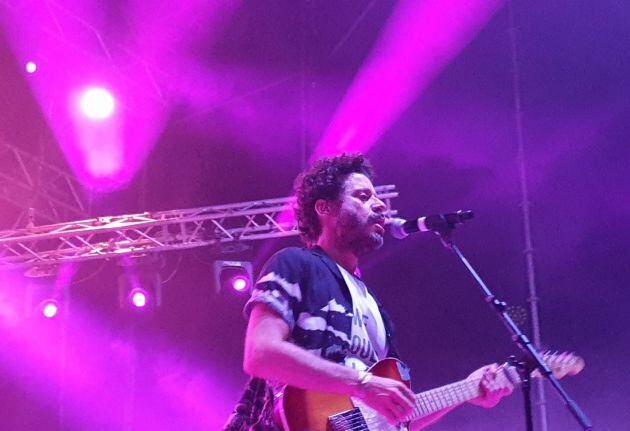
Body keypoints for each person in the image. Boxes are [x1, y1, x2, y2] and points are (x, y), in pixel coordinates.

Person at [224, 154, 513, 430]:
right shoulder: (296, 264)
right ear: (324, 209)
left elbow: (395, 420)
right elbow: (260, 353)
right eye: (363, 197)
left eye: (377, 197)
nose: (380, 206)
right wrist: (361, 383)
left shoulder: (376, 308)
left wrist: (467, 391)